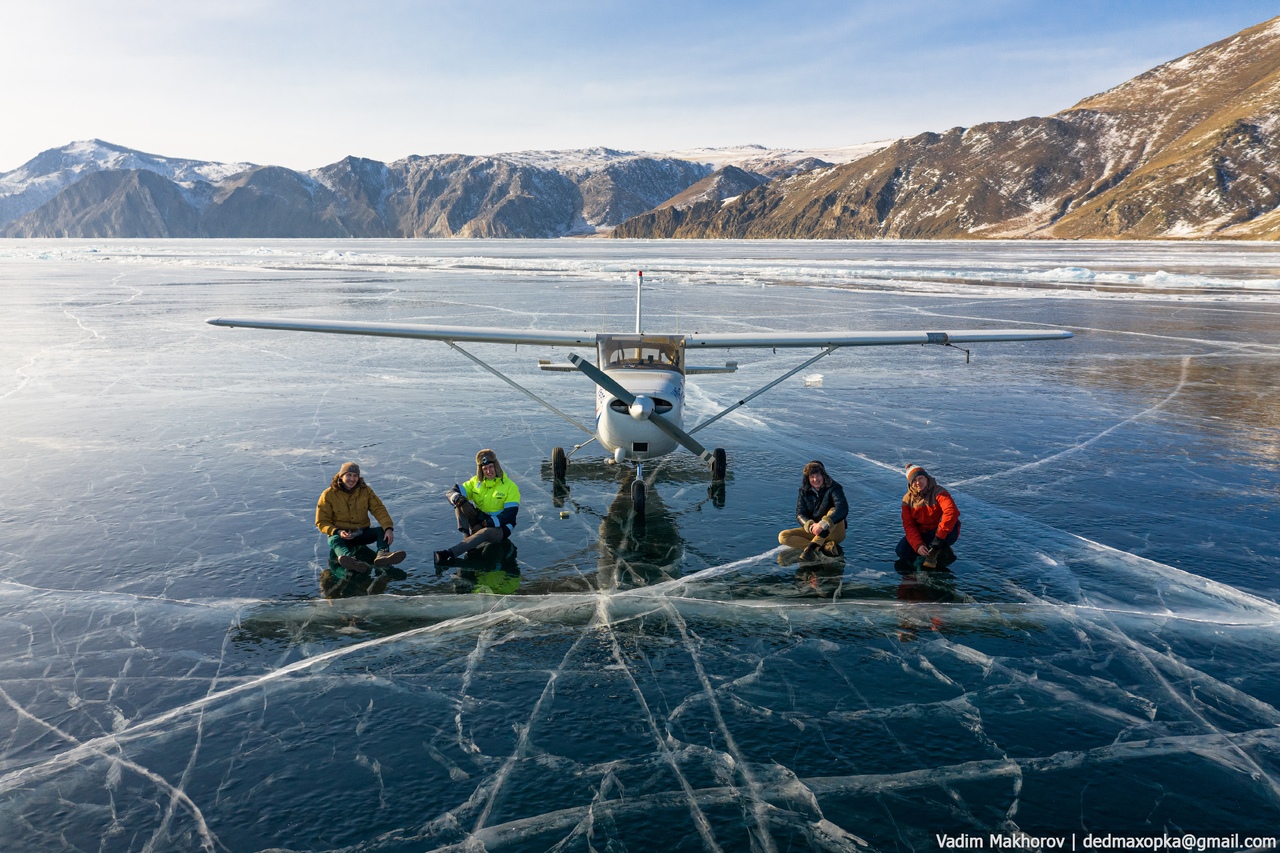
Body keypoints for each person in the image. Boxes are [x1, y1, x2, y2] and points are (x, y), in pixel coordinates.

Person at [315, 462, 407, 577]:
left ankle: (382, 555)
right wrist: (337, 531)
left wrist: (388, 528)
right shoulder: (328, 494)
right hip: (342, 536)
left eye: (355, 476)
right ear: (341, 476)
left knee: (381, 531)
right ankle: (350, 559)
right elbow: (321, 521)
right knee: (334, 540)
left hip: (361, 533)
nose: (352, 479)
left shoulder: (365, 491)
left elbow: (378, 509)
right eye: (348, 475)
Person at [435, 449, 521, 566]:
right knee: (460, 505)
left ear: (496, 466)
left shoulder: (510, 487)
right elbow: (451, 492)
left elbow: (509, 516)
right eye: (485, 469)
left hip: (501, 527)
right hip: (480, 520)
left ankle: (448, 554)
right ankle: (469, 543)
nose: (488, 471)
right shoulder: (476, 482)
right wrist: (460, 501)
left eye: (490, 467)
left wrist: (485, 524)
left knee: (485, 532)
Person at [778, 460, 849, 560]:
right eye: (812, 476)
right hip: (815, 531)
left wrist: (823, 524)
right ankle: (823, 548)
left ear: (824, 475)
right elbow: (800, 513)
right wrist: (811, 526)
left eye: (818, 475)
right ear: (807, 478)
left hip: (834, 532)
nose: (815, 479)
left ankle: (811, 548)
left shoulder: (834, 488)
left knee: (833, 510)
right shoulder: (804, 491)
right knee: (783, 536)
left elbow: (842, 508)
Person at [898, 463, 961, 569]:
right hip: (924, 533)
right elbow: (909, 525)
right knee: (901, 550)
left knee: (951, 527)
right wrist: (918, 545)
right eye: (914, 480)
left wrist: (939, 538)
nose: (918, 483)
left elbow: (951, 512)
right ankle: (927, 553)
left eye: (920, 478)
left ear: (926, 478)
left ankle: (941, 551)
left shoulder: (939, 492)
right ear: (910, 483)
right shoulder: (907, 500)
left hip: (942, 531)